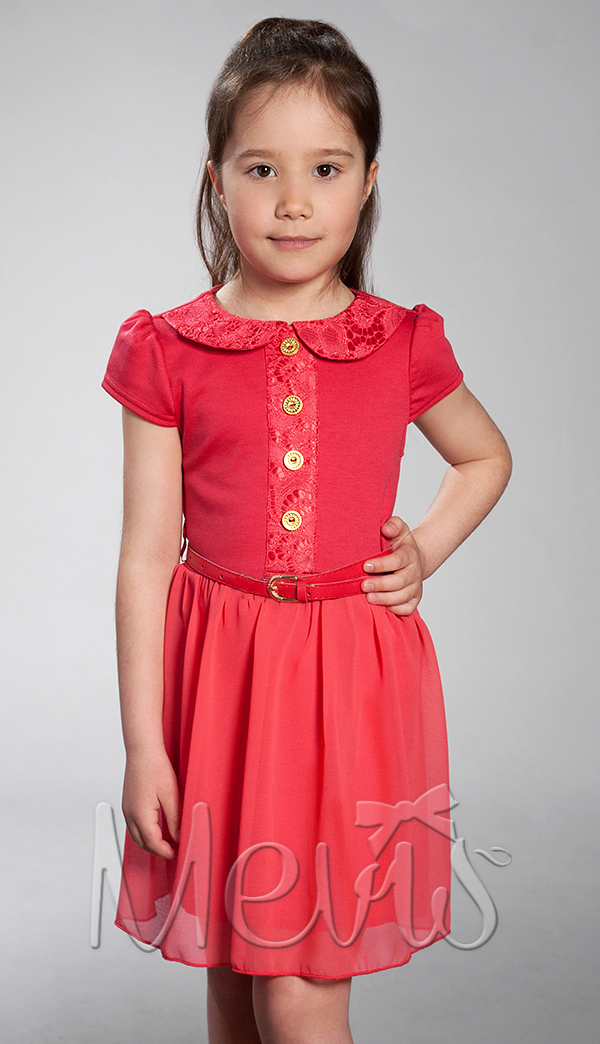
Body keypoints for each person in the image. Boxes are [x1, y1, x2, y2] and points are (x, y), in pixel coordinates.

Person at [102, 16, 512, 1044]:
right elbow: (146, 557)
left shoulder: (400, 342)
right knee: (234, 970)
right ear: (216, 182)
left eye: (325, 168)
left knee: (297, 985)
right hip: (220, 681)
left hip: (346, 686)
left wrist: (424, 548)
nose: (294, 200)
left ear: (368, 181)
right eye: (262, 169)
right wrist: (145, 746)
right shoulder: (168, 349)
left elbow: (484, 457)